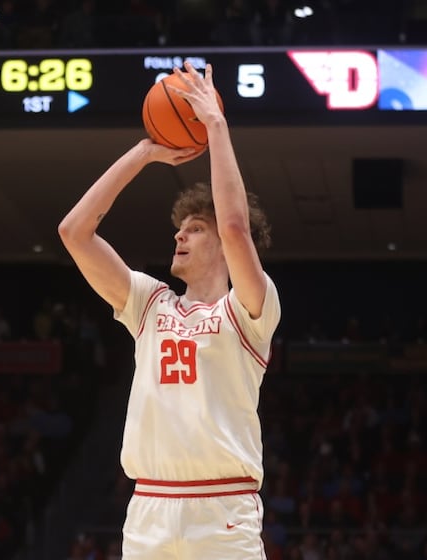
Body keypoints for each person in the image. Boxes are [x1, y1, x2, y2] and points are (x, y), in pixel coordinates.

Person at [58, 62, 280, 559]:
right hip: (149, 509)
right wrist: (143, 153)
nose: (179, 235)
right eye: (180, 228)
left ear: (221, 242)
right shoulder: (148, 302)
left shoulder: (250, 309)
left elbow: (237, 227)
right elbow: (74, 232)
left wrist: (216, 126)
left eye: (196, 228)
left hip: (223, 509)